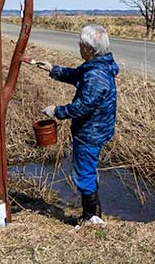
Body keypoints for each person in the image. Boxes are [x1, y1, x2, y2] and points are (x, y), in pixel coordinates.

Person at [36, 24, 118, 225]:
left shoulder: (96, 75)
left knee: (83, 173)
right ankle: (93, 215)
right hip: (97, 129)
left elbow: (82, 106)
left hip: (90, 132)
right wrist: (52, 69)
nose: (78, 46)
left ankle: (91, 218)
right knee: (88, 170)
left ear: (90, 49)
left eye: (81, 44)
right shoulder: (96, 65)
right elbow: (76, 75)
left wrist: (57, 111)